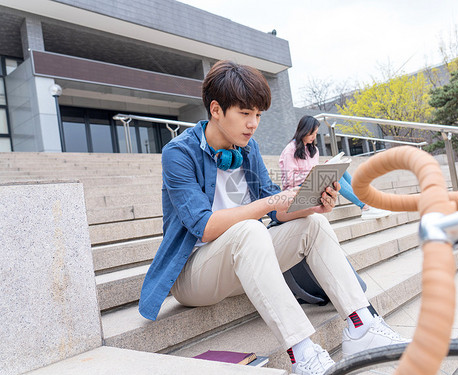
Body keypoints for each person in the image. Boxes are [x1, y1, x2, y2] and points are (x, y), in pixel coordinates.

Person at [138, 60, 407, 375]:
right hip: (193, 273)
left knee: (313, 224)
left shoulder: (248, 150)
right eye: (245, 113)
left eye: (258, 115)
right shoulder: (179, 153)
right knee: (251, 230)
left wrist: (314, 205)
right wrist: (269, 202)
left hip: (244, 261)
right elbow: (205, 227)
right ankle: (303, 355)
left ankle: (362, 326)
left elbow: (277, 208)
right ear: (215, 109)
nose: (253, 124)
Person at [279, 115, 391, 220]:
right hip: (296, 189)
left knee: (341, 171)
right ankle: (365, 207)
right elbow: (290, 179)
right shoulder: (290, 150)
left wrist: (322, 167)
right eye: (311, 133)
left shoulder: (313, 150)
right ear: (303, 131)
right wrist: (315, 173)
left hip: (310, 183)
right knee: (333, 176)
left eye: (316, 133)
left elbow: (311, 170)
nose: (314, 137)